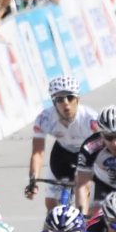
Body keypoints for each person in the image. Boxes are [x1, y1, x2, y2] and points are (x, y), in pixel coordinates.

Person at [26, 76, 99, 208]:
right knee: (51, 205)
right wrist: (33, 180)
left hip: (87, 153)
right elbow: (38, 153)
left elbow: (103, 148)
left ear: (78, 99)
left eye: (70, 97)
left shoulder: (90, 119)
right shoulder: (44, 119)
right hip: (61, 154)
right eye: (60, 99)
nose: (66, 103)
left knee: (83, 199)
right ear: (54, 102)